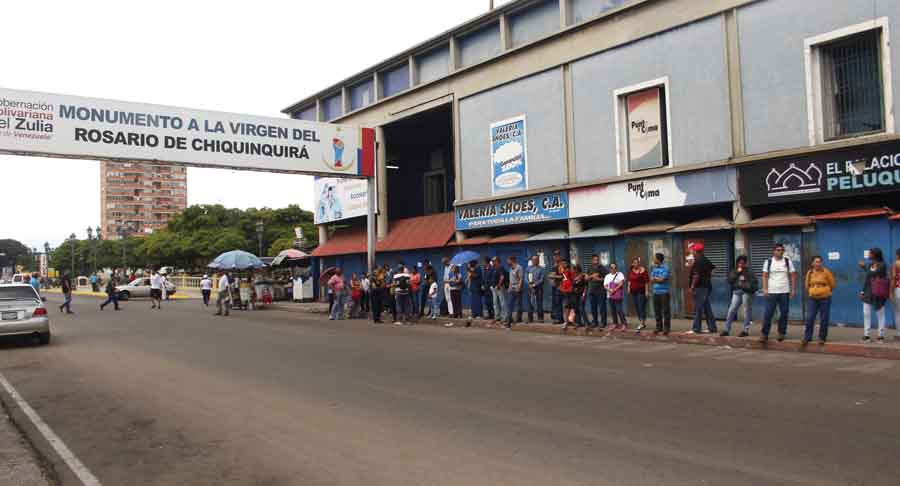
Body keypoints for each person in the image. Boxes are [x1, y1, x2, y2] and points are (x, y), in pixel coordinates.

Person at [760, 243, 796, 342]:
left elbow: (793, 275)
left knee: (784, 313)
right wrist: (765, 289)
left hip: (784, 292)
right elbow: (765, 276)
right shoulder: (768, 262)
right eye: (778, 250)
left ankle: (781, 333)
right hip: (772, 292)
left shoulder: (788, 262)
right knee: (768, 313)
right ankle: (764, 334)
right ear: (774, 251)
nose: (780, 252)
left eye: (781, 250)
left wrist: (793, 289)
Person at [803, 255, 835, 345]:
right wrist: (812, 291)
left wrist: (825, 291)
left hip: (825, 298)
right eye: (816, 262)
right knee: (810, 318)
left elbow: (832, 284)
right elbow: (806, 285)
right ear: (812, 263)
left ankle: (822, 337)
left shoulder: (826, 272)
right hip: (813, 298)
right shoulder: (809, 273)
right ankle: (807, 337)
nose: (818, 263)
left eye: (820, 261)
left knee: (824, 318)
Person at [722, 256, 757, 337]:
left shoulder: (749, 271)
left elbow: (754, 281)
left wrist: (746, 283)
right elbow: (730, 280)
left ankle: (745, 330)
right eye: (739, 262)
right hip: (737, 291)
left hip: (746, 292)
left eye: (743, 263)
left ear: (745, 263)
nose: (741, 264)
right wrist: (737, 273)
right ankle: (726, 329)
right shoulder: (734, 270)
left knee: (746, 310)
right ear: (737, 263)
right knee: (732, 309)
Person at [860, 247, 889, 342]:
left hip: (878, 292)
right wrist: (862, 291)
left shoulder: (882, 265)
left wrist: (864, 267)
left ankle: (881, 335)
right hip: (868, 292)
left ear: (875, 255)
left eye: (870, 253)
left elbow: (874, 273)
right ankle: (866, 335)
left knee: (880, 314)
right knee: (866, 313)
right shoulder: (870, 265)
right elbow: (867, 278)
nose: (868, 255)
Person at [688, 243, 717, 334]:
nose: (692, 251)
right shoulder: (705, 259)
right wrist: (707, 276)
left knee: (698, 308)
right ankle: (712, 327)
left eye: (693, 250)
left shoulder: (698, 261)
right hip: (706, 286)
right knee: (707, 308)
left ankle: (696, 328)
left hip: (700, 287)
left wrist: (692, 286)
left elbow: (696, 275)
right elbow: (713, 269)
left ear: (695, 251)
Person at [650, 253, 671, 335]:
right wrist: (657, 279)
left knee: (665, 311)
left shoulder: (665, 268)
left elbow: (662, 279)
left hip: (664, 292)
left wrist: (656, 279)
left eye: (654, 258)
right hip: (656, 292)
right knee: (657, 311)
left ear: (658, 260)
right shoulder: (654, 268)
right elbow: (651, 279)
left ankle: (666, 328)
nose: (653, 260)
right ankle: (658, 327)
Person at [627, 257, 650, 331]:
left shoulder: (643, 271)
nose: (635, 264)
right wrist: (628, 287)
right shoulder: (631, 270)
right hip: (634, 292)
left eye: (636, 263)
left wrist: (646, 291)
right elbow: (629, 280)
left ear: (639, 263)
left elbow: (646, 281)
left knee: (641, 307)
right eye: (634, 263)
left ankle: (642, 322)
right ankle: (641, 321)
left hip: (641, 291)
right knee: (637, 307)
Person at [586, 255, 607, 328]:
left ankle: (603, 322)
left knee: (602, 307)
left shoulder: (602, 268)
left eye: (597, 260)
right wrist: (592, 276)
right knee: (593, 307)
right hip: (592, 291)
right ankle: (595, 321)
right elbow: (586, 278)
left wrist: (599, 279)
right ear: (592, 261)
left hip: (600, 291)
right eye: (595, 260)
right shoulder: (590, 268)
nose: (596, 261)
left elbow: (607, 278)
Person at [604, 263, 626, 330]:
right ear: (609, 268)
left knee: (619, 309)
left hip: (618, 295)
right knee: (613, 310)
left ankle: (624, 323)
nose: (613, 269)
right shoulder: (607, 276)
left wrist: (615, 289)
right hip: (610, 295)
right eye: (612, 268)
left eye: (615, 267)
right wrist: (610, 290)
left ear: (617, 268)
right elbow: (605, 285)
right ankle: (615, 323)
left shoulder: (620, 274)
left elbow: (622, 282)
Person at [505, 256, 523, 329]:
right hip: (511, 289)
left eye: (508, 260)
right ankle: (509, 321)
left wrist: (519, 287)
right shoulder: (510, 269)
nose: (507, 262)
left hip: (517, 288)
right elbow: (511, 280)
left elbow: (521, 278)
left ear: (512, 260)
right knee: (509, 305)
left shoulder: (519, 268)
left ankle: (518, 319)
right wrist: (509, 288)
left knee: (518, 305)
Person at [526, 255, 545, 323]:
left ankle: (540, 318)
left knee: (539, 302)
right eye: (533, 260)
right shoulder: (528, 268)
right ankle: (530, 318)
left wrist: (534, 285)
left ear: (538, 260)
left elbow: (542, 279)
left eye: (536, 259)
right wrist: (529, 284)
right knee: (530, 303)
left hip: (538, 287)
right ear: (532, 260)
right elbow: (526, 277)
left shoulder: (541, 269)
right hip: (529, 288)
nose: (535, 261)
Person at [548, 250, 564, 324]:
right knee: (555, 303)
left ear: (560, 256)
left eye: (557, 255)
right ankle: (556, 317)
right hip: (554, 286)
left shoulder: (561, 265)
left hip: (560, 287)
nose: (556, 257)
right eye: (555, 255)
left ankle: (560, 319)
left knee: (558, 303)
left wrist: (552, 276)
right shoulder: (554, 265)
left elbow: (562, 276)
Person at [490, 256, 507, 325]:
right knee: (495, 303)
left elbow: (502, 277)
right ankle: (497, 317)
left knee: (502, 303)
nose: (493, 262)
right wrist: (491, 286)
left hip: (500, 287)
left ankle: (504, 318)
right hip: (494, 288)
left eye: (494, 261)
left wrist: (499, 285)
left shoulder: (501, 267)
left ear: (497, 261)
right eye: (493, 261)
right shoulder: (494, 268)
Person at [892, 249, 900, 341]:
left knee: (898, 312)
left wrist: (890, 291)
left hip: (898, 289)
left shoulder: (896, 264)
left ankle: (899, 333)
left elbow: (894, 278)